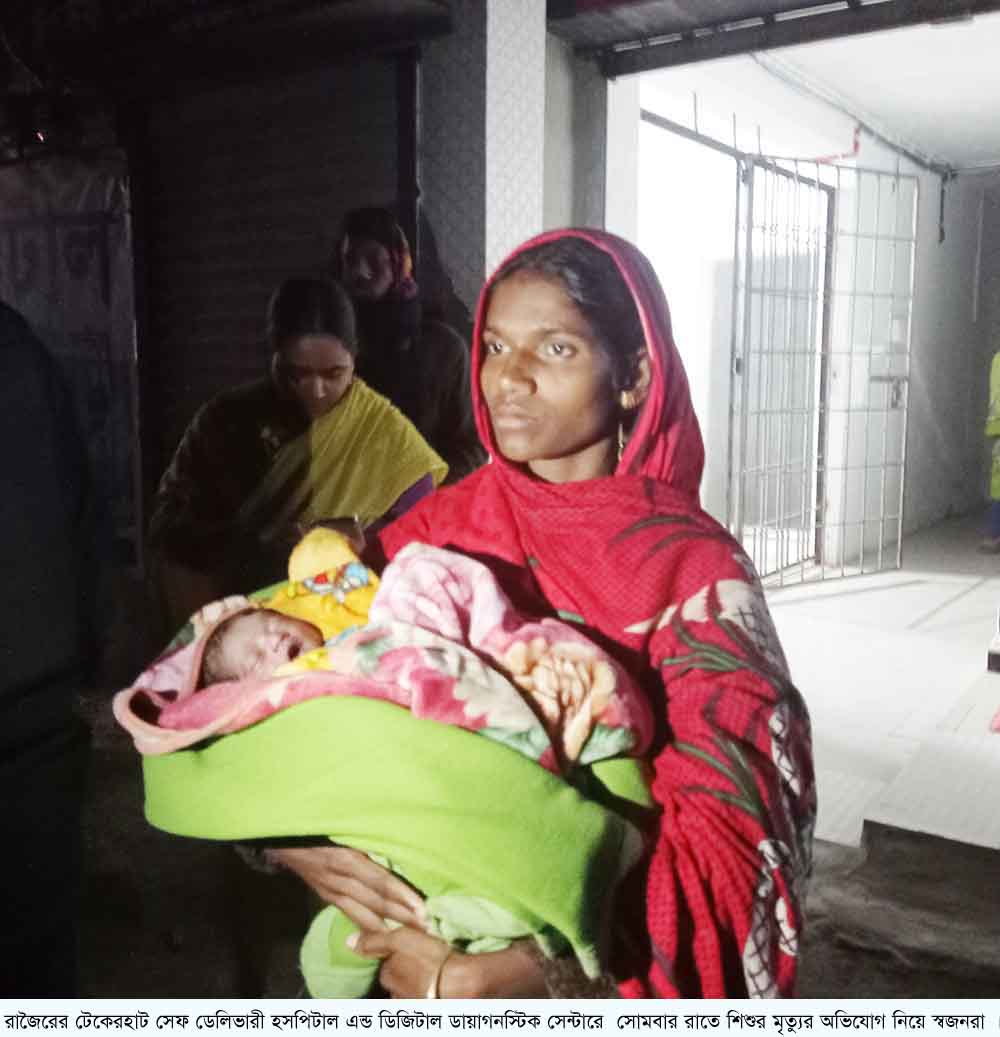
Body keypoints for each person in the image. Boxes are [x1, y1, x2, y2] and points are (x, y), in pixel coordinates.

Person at [270, 229, 816, 999]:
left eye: (555, 348)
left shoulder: (691, 572)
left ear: (633, 376)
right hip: (399, 950)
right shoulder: (438, 531)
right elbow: (268, 673)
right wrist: (293, 838)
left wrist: (522, 973)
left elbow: (738, 850)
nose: (508, 377)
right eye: (495, 346)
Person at [148, 277, 448, 634]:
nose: (316, 390)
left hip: (342, 626)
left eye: (334, 374)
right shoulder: (224, 420)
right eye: (296, 374)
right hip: (236, 623)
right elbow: (168, 523)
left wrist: (353, 545)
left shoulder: (386, 436)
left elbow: (419, 543)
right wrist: (256, 544)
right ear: (273, 356)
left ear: (354, 359)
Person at [0, 301, 96, 995]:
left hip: (34, 692)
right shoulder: (24, 353)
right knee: (38, 938)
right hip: (40, 692)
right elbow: (84, 512)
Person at [332, 207, 485, 482]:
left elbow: (471, 446)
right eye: (350, 260)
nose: (360, 272)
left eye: (372, 259)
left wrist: (427, 491)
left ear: (397, 261)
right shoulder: (332, 345)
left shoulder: (443, 349)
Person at [981, 349, 1000, 553]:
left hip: (997, 428)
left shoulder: (997, 359)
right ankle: (995, 534)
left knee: (997, 483)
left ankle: (995, 534)